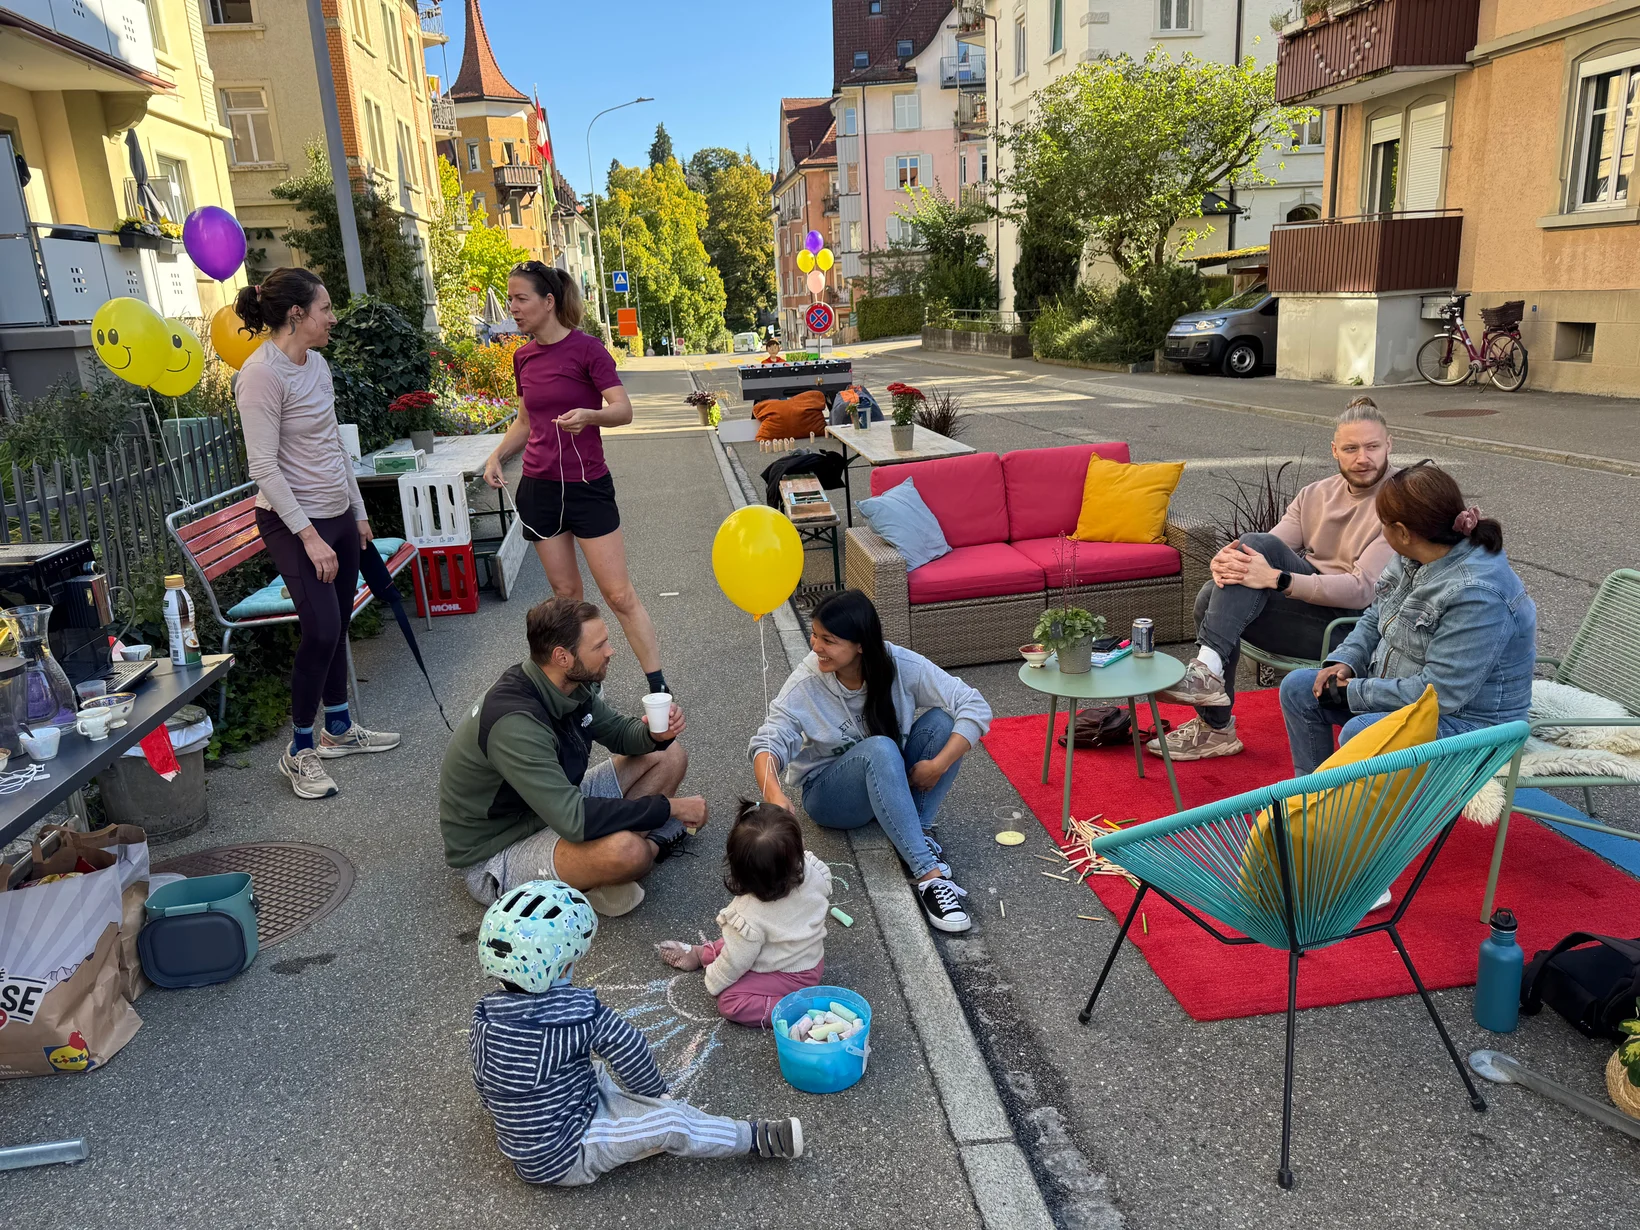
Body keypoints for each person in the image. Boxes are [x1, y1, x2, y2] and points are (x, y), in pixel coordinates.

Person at [472, 879, 804, 1187]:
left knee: (593, 1070)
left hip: (529, 1145)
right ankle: (758, 1138)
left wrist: (522, 1119)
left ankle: (632, 1126)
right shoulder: (577, 1016)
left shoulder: (485, 1015)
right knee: (671, 1122)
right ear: (560, 968)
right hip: (569, 1152)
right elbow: (629, 1046)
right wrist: (656, 1096)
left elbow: (483, 1083)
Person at [1152, 397, 1399, 762]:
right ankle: (1214, 719)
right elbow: (1263, 549)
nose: (1363, 458)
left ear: (1389, 445)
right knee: (1213, 589)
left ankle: (1208, 686)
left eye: (1372, 447)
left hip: (1350, 631)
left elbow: (1363, 591)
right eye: (1351, 448)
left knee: (1250, 553)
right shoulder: (1315, 494)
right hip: (1308, 614)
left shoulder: (1400, 502)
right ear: (1334, 450)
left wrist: (1280, 581)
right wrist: (1226, 560)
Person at [234, 267, 398, 801]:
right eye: (325, 309)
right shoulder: (261, 376)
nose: (333, 318)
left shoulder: (318, 364)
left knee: (340, 620)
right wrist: (309, 536)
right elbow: (265, 468)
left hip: (336, 517)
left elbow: (330, 445)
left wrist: (356, 510)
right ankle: (299, 749)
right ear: (296, 314)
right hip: (292, 523)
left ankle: (341, 730)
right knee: (323, 629)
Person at [439, 598, 706, 917]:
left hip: (553, 807)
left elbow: (617, 732)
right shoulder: (515, 723)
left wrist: (653, 735)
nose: (611, 651)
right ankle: (645, 849)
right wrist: (667, 809)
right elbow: (575, 821)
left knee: (669, 755)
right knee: (628, 853)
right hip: (500, 850)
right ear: (562, 657)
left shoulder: (570, 685)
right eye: (600, 645)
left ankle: (597, 874)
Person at [749, 590, 992, 934]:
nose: (815, 646)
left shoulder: (898, 664)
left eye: (828, 640)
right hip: (830, 797)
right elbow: (766, 743)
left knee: (943, 722)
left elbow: (974, 704)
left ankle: (915, 833)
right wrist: (773, 794)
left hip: (887, 774)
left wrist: (937, 764)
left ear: (861, 645)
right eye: (814, 635)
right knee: (880, 748)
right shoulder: (807, 683)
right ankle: (928, 875)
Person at [482, 262, 670, 697]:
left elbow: (623, 411)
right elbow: (526, 422)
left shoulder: (588, 350)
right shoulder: (522, 356)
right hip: (540, 488)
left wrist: (591, 415)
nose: (513, 308)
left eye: (521, 298)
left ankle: (658, 685)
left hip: (588, 488)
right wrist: (496, 455)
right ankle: (588, 688)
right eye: (510, 299)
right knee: (566, 597)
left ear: (549, 302)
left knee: (619, 594)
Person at [1279, 462, 1536, 777]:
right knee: (1298, 689)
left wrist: (1353, 692)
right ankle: (1311, 800)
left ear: (1401, 532)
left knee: (1363, 732)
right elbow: (1376, 613)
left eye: (1382, 523)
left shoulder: (1477, 593)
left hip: (1474, 726)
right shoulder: (1414, 554)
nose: (1380, 530)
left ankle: (1355, 823)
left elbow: (1441, 694)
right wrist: (1346, 661)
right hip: (1410, 700)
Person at [656, 801, 831, 1027]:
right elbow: (824, 883)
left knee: (729, 1000)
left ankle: (795, 1009)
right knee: (740, 937)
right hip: (809, 961)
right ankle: (702, 954)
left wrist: (714, 980)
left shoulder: (748, 915)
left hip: (788, 976)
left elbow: (736, 962)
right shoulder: (813, 872)